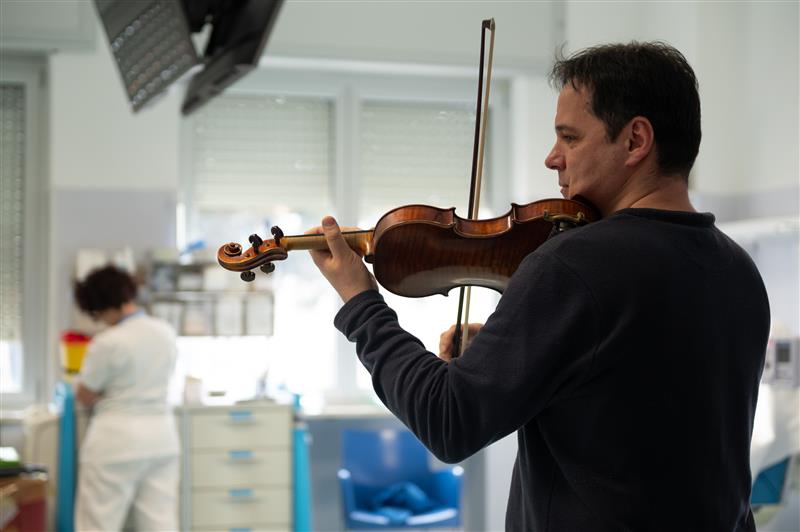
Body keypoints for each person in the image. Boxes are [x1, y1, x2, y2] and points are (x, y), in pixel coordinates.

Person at [308, 42, 771, 531]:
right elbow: (639, 395)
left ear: (636, 140)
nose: (553, 159)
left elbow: (447, 420)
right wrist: (518, 353)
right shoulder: (738, 269)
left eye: (569, 138)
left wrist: (361, 302)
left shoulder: (575, 263)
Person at [72, 265, 179, 531]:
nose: (100, 320)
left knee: (98, 524)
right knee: (160, 523)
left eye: (97, 313)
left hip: (116, 441)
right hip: (162, 438)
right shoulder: (165, 332)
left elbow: (85, 393)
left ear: (102, 305)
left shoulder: (108, 342)